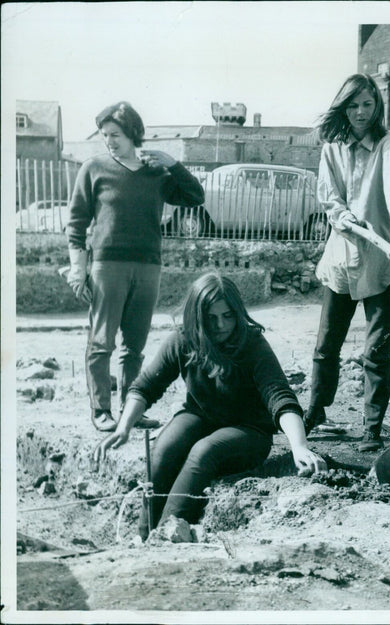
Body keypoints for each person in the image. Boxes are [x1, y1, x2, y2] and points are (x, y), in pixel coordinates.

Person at [93, 273, 327, 540]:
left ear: (237, 313)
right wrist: (123, 428)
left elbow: (281, 399)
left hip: (248, 430)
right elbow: (145, 387)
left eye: (227, 316)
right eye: (211, 318)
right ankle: (143, 536)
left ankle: (167, 536)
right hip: (201, 417)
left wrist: (299, 446)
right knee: (165, 446)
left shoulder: (252, 344)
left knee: (205, 452)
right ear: (197, 317)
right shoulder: (183, 340)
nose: (221, 325)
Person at [66, 102, 205, 432]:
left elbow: (195, 195)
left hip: (148, 267)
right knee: (101, 342)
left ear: (133, 134)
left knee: (135, 347)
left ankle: (131, 409)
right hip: (106, 266)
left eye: (115, 134)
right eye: (105, 136)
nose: (109, 141)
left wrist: (171, 162)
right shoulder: (94, 168)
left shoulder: (156, 171)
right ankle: (101, 410)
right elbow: (76, 223)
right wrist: (77, 268)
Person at [304, 73, 390, 452]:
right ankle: (316, 411)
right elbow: (330, 198)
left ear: (378, 106)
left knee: (376, 351)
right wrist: (342, 217)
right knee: (326, 344)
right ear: (343, 106)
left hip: (384, 257)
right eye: (352, 105)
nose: (360, 112)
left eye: (367, 105)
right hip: (342, 256)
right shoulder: (332, 147)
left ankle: (371, 427)